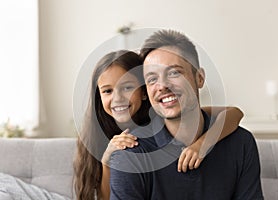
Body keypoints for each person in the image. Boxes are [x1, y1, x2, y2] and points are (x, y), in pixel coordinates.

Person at [109, 30, 264, 200]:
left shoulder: (240, 143)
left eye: (174, 73)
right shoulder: (130, 154)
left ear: (199, 78)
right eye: (152, 79)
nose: (162, 85)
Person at [73, 50, 244, 200]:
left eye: (127, 88)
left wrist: (202, 144)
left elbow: (234, 113)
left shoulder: (164, 117)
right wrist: (106, 161)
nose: (117, 98)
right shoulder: (94, 136)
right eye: (107, 91)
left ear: (144, 91)